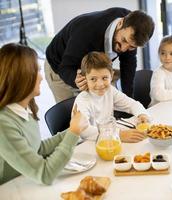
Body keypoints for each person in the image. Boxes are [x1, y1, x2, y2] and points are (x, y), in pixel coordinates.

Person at [0, 43, 88, 185]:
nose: (41, 78)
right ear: (22, 78)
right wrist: (73, 132)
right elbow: (45, 174)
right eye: (37, 72)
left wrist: (75, 129)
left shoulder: (25, 109)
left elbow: (38, 148)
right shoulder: (3, 124)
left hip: (25, 183)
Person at [45, 7, 155, 103]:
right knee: (71, 117)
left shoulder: (134, 27)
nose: (124, 49)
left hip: (92, 66)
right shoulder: (87, 32)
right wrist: (77, 80)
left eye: (132, 47)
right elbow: (65, 68)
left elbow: (128, 65)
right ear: (120, 23)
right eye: (124, 40)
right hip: (59, 65)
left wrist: (129, 100)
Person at [74, 51, 150, 143]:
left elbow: (131, 104)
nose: (100, 84)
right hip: (88, 144)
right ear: (85, 78)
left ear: (111, 75)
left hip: (110, 139)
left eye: (104, 78)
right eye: (93, 79)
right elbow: (84, 130)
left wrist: (142, 114)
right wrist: (119, 134)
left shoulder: (110, 91)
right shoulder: (82, 100)